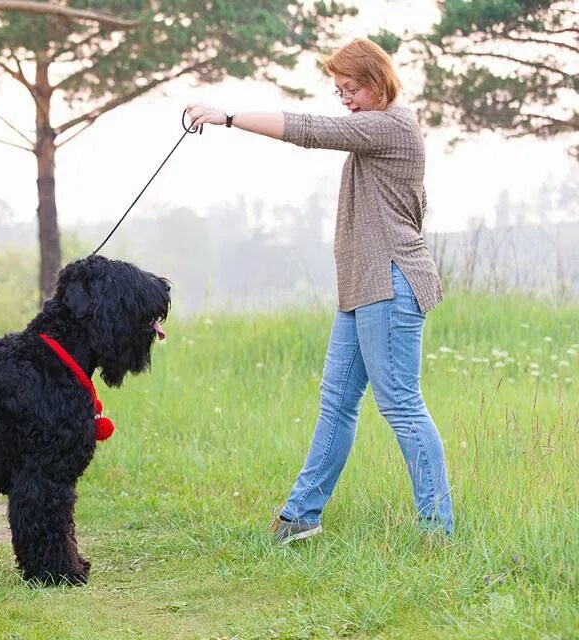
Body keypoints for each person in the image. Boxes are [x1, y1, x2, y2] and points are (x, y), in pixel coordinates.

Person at [185, 37, 454, 543]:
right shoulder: (376, 127)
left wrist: (228, 117)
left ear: (378, 80)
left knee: (401, 404)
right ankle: (300, 517)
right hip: (361, 288)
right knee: (337, 402)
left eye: (351, 89)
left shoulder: (392, 125)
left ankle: (437, 530)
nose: (346, 100)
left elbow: (311, 130)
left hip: (390, 282)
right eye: (339, 92)